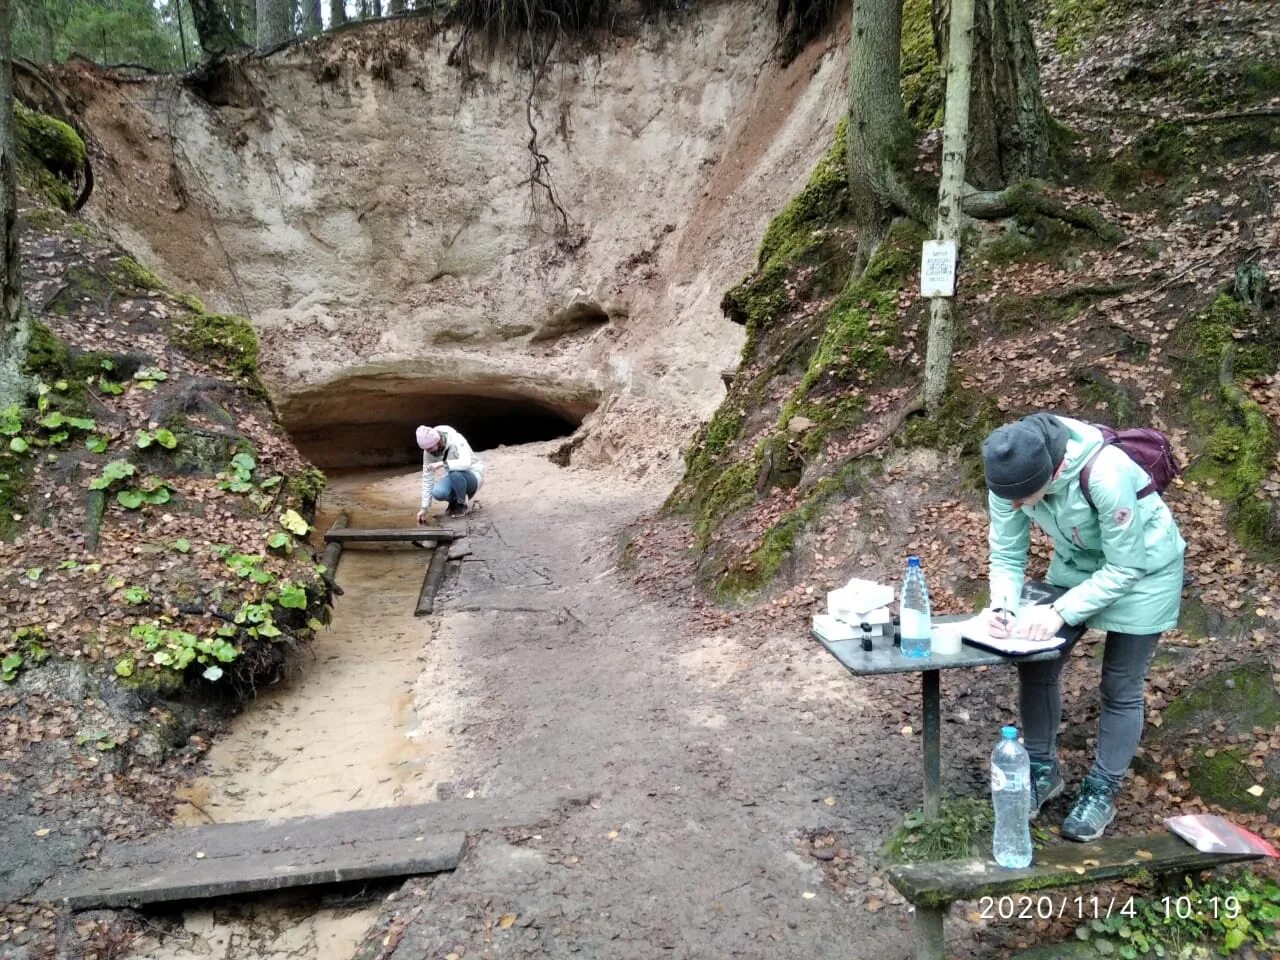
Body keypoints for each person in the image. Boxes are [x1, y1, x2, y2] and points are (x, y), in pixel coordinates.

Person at [980, 413, 1185, 842]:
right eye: (1009, 500)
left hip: (1144, 572)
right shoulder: (1009, 479)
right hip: (1077, 566)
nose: (1015, 507)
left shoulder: (1105, 474)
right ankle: (1040, 769)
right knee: (1035, 658)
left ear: (1052, 472)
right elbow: (1007, 554)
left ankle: (1102, 789)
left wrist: (1061, 611)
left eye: (1023, 500)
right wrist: (1002, 606)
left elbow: (1127, 565)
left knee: (1120, 684)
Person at [415, 424, 484, 521]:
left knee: (455, 473)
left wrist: (443, 464)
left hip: (473, 474)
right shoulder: (428, 451)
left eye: (430, 448)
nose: (428, 452)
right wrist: (424, 508)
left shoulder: (456, 439)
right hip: (453, 477)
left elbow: (466, 463)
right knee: (438, 492)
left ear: (437, 441)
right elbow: (427, 478)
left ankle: (461, 503)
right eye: (425, 449)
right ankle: (454, 502)